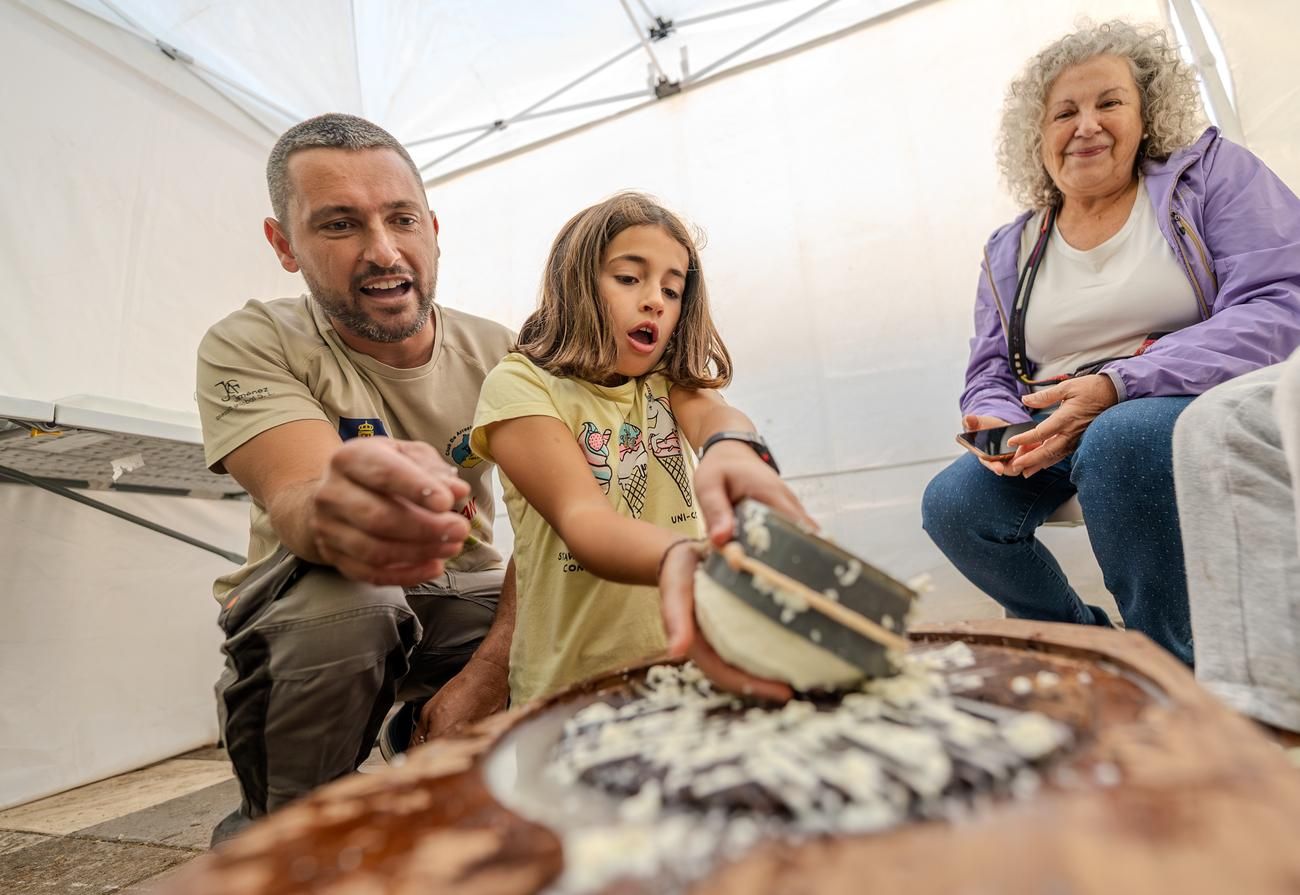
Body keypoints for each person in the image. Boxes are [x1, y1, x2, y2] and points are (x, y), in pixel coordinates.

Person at [921, 21, 1300, 665]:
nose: (1086, 125)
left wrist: (1116, 386)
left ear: (1147, 113)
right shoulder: (1008, 248)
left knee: (1121, 438)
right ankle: (1084, 652)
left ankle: (1174, 664)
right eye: (1064, 112)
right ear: (1036, 138)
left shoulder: (1208, 174)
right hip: (1057, 417)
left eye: (1109, 103)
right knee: (955, 504)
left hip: (1191, 398)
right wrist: (1004, 423)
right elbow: (990, 366)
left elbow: (1280, 299)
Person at [196, 113, 519, 845]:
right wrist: (344, 503)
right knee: (350, 603)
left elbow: (561, 522)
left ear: (433, 227)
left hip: (465, 595)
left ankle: (425, 738)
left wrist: (489, 670)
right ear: (285, 245)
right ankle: (286, 833)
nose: (382, 252)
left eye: (401, 219)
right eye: (339, 224)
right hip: (315, 592)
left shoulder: (507, 354)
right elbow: (299, 496)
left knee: (599, 610)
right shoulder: (252, 342)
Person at [471, 192, 810, 705]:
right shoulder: (519, 384)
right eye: (629, 278)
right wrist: (692, 560)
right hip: (571, 689)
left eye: (672, 290)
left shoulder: (668, 383)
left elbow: (715, 416)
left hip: (688, 669)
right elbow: (586, 521)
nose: (655, 299)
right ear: (576, 284)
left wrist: (733, 448)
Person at [1173, 349, 1300, 734]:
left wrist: (1120, 379)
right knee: (1220, 417)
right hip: (1049, 407)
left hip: (1159, 379)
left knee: (1231, 419)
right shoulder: (1004, 285)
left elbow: (1271, 307)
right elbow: (990, 368)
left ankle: (1264, 711)